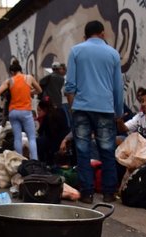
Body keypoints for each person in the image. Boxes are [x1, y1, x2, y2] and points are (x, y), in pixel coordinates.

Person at [64, 20, 124, 204]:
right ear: (103, 33)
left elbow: (70, 86)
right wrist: (118, 112)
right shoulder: (113, 53)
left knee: (83, 151)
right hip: (105, 108)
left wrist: (74, 108)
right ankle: (108, 193)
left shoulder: (76, 51)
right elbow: (117, 87)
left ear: (85, 35)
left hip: (82, 108)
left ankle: (87, 193)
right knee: (107, 151)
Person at [0, 59, 42, 160]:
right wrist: (30, 92)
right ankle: (34, 160)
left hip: (13, 112)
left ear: (12, 72)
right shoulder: (29, 78)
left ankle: (19, 161)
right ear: (21, 70)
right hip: (25, 111)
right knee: (31, 138)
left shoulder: (10, 80)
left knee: (17, 137)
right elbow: (39, 90)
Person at [36, 99, 70, 165]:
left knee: (39, 141)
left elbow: (40, 132)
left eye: (39, 110)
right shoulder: (61, 111)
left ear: (45, 109)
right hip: (65, 138)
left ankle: (42, 162)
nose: (38, 112)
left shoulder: (47, 117)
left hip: (55, 143)